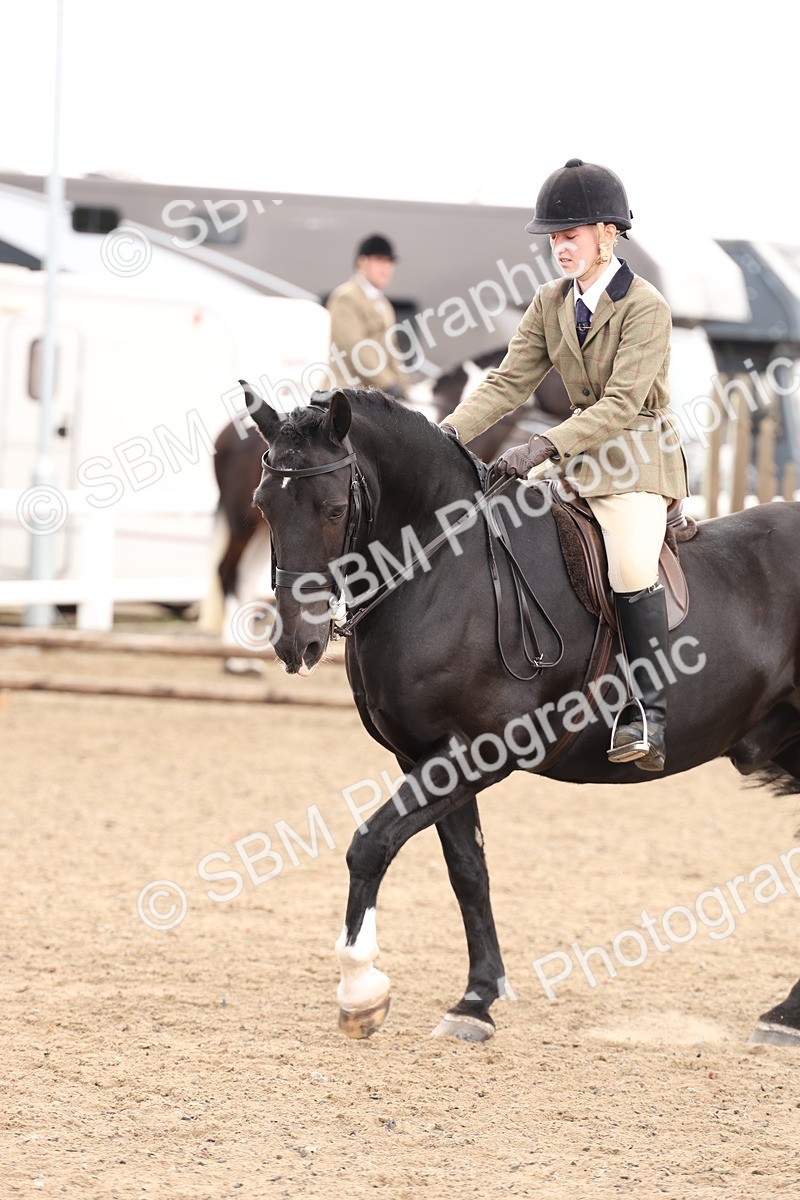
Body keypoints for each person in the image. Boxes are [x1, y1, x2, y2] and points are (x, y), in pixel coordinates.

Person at [439, 158, 689, 773]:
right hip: (579, 464)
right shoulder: (550, 303)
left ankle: (648, 713)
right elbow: (505, 386)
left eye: (569, 234)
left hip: (636, 458)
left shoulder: (646, 307)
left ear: (607, 233)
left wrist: (544, 447)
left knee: (631, 563)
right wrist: (442, 436)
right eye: (553, 237)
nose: (559, 247)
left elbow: (622, 403)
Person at [326, 234, 407, 397]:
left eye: (389, 262)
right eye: (379, 260)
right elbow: (356, 348)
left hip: (377, 395)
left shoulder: (385, 305)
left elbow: (392, 352)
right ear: (361, 263)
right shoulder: (345, 298)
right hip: (346, 393)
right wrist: (388, 383)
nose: (385, 268)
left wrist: (404, 387)